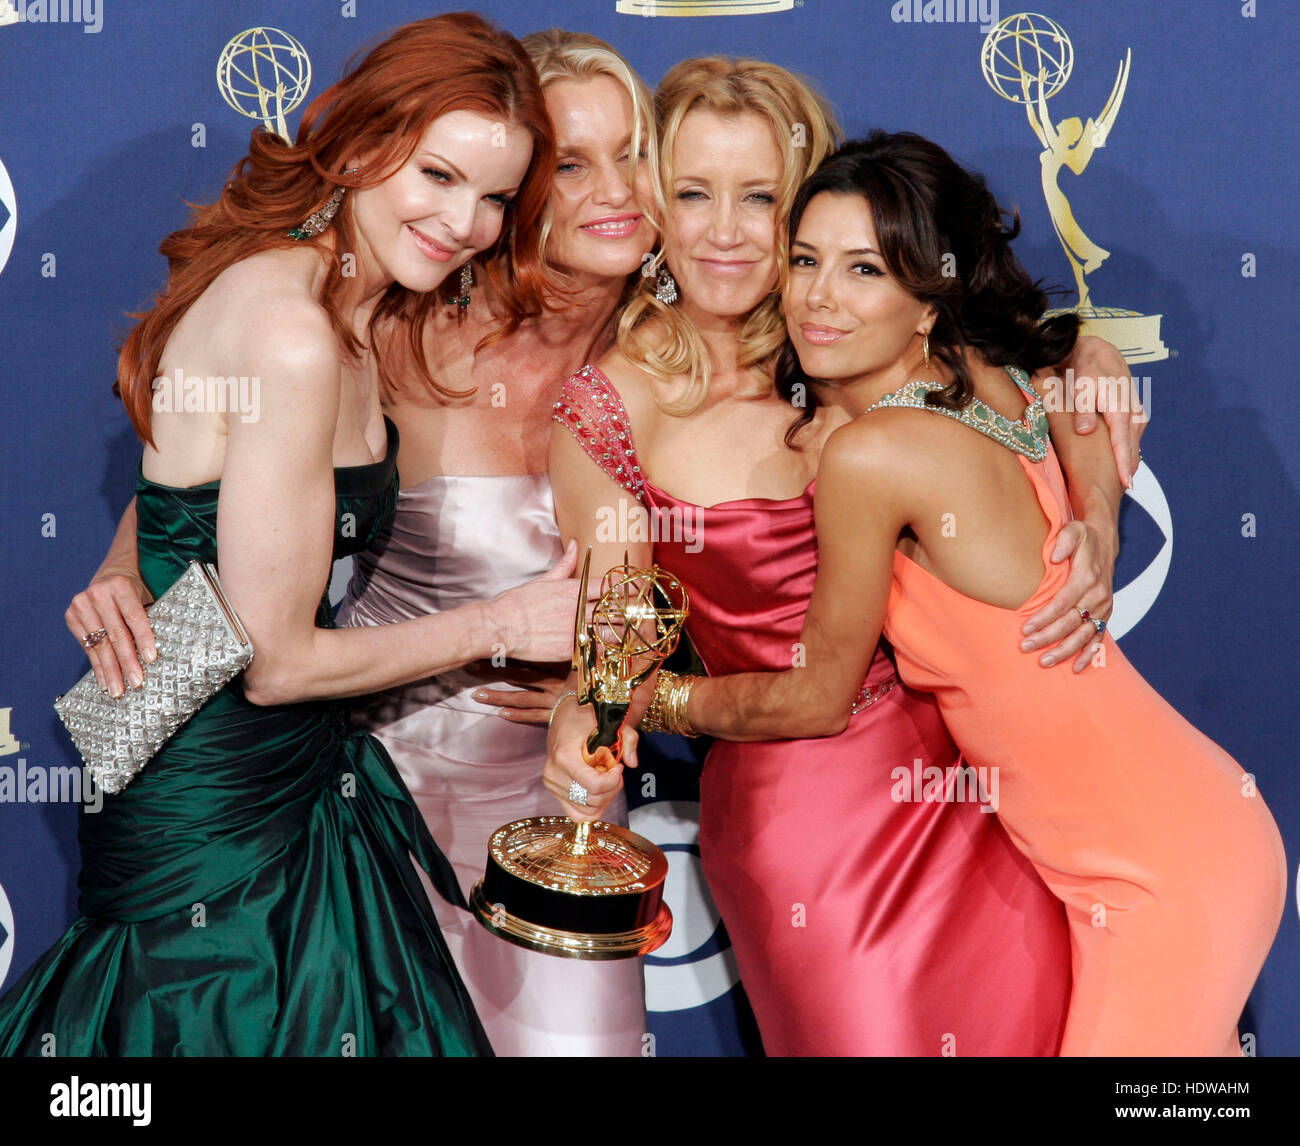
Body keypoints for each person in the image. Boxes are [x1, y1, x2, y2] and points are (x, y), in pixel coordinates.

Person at [60, 30, 658, 1056]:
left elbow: (207, 488)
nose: (462, 222)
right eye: (437, 174)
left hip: (273, 765)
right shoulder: (301, 329)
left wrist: (134, 561)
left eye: (490, 198)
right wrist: (505, 620)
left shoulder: (340, 296)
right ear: (363, 141)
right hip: (231, 790)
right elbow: (278, 661)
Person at [546, 58, 1146, 1056]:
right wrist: (600, 705)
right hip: (806, 826)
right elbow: (620, 629)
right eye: (692, 194)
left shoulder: (858, 332)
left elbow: (1043, 378)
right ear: (654, 203)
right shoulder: (615, 407)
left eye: (760, 200)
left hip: (984, 792)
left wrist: (1099, 494)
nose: (725, 233)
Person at [678, 132, 1287, 1056]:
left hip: (1164, 869)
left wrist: (645, 699)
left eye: (863, 270)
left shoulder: (874, 454)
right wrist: (1098, 503)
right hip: (1176, 835)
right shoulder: (987, 383)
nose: (817, 297)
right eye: (805, 260)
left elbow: (813, 694)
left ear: (927, 299)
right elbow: (1068, 370)